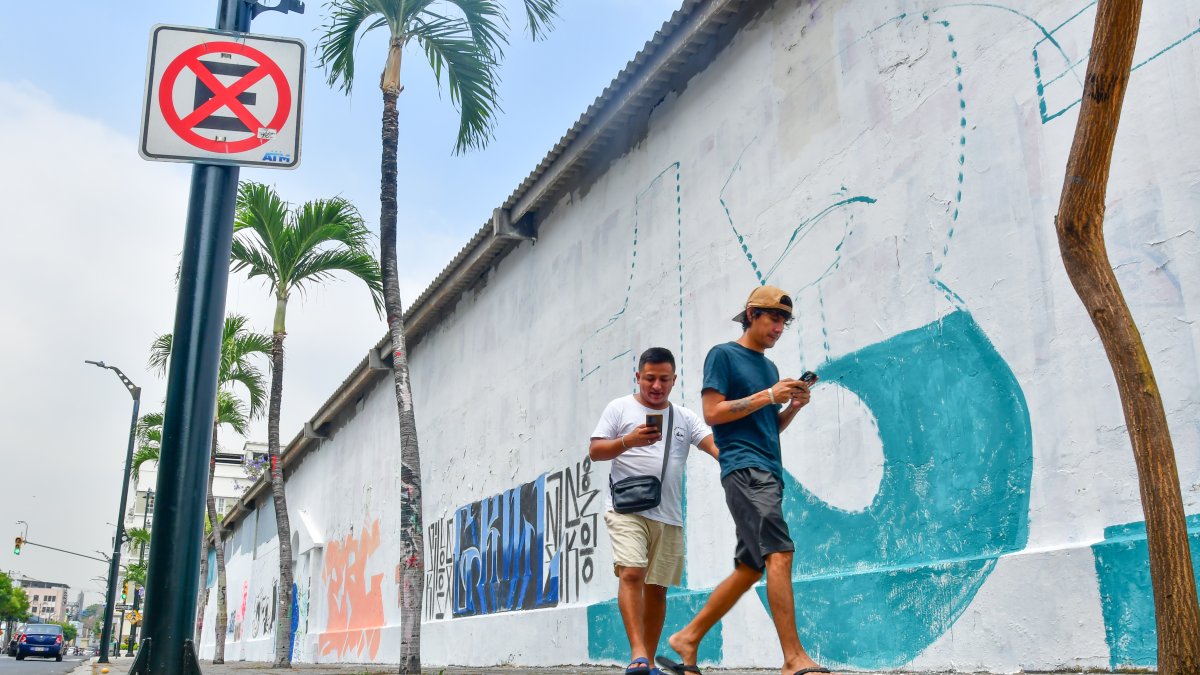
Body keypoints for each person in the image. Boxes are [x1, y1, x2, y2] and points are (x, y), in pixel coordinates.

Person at [657, 286, 830, 675]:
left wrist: (792, 407)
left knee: (751, 567)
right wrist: (768, 395)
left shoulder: (769, 369)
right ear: (752, 314)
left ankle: (687, 639)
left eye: (784, 322)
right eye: (774, 318)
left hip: (768, 470)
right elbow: (713, 412)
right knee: (779, 552)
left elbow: (768, 427)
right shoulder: (723, 355)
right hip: (745, 470)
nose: (779, 328)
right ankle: (793, 659)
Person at [590, 347, 719, 675]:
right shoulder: (619, 408)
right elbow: (596, 451)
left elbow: (712, 445)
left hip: (669, 514)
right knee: (632, 572)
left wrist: (738, 461)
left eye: (664, 379)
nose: (657, 386)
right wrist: (628, 441)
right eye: (650, 378)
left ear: (674, 379)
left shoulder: (685, 417)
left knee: (658, 588)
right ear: (638, 377)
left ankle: (646, 661)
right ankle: (637, 654)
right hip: (625, 508)